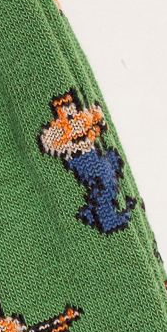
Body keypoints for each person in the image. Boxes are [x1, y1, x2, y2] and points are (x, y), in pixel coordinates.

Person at [39, 90, 134, 234]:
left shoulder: (81, 117)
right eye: (64, 107)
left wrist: (95, 123)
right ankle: (107, 220)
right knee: (101, 185)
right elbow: (47, 142)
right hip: (81, 160)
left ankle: (99, 211)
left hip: (94, 153)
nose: (68, 110)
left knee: (112, 170)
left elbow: (96, 123)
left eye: (69, 105)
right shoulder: (57, 129)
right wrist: (66, 136)